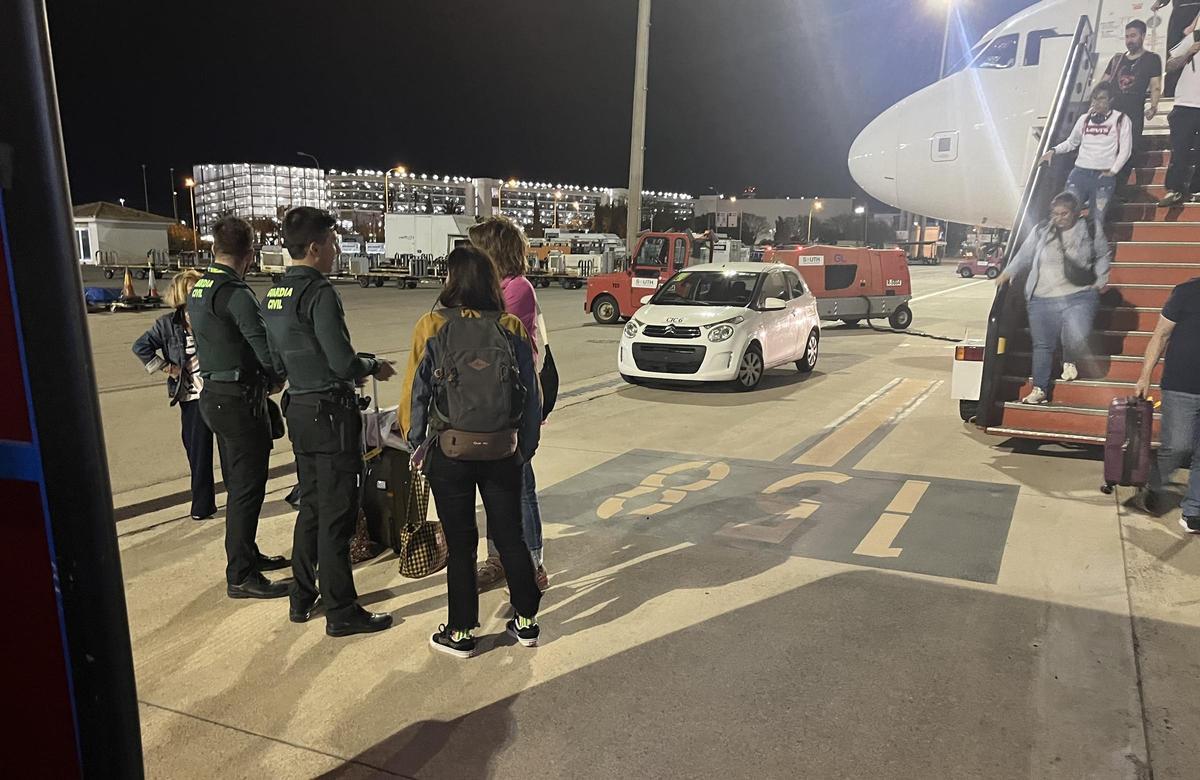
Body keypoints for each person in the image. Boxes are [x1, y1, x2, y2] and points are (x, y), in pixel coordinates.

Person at [400, 245, 543, 659]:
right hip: (503, 451)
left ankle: (461, 632)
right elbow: (530, 395)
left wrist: (416, 444)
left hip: (451, 450)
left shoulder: (431, 324)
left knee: (461, 544)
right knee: (511, 536)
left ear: (453, 281)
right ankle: (527, 622)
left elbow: (415, 391)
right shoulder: (511, 326)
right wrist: (525, 447)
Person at [263, 207, 396, 637]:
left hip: (299, 409)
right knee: (338, 514)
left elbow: (272, 359)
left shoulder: (276, 293)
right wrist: (372, 365)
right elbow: (342, 361)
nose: (337, 251)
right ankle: (341, 609)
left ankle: (301, 596)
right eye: (334, 243)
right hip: (331, 416)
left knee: (313, 507)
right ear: (317, 248)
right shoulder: (319, 293)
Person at [188, 216, 290, 599]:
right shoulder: (236, 293)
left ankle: (246, 554)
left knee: (238, 486)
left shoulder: (201, 288)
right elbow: (260, 342)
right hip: (238, 400)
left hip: (214, 395)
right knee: (248, 488)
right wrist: (277, 376)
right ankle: (241, 574)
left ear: (216, 248)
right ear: (250, 254)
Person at [467, 216, 549, 593]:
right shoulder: (489, 289)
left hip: (512, 402)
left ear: (491, 251)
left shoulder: (518, 289)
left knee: (521, 485)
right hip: (485, 402)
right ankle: (497, 558)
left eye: (475, 248)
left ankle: (532, 561)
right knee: (494, 487)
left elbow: (486, 335)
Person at [994, 192, 1111, 405]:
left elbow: (1103, 253)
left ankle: (1069, 358)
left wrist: (1101, 279)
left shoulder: (1090, 228)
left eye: (1064, 213)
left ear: (1076, 212)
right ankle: (1040, 388)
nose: (1059, 218)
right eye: (1055, 213)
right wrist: (1008, 273)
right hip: (1041, 297)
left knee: (1077, 334)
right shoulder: (1042, 230)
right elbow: (1024, 254)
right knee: (1042, 345)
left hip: (1079, 294)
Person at [132, 269, 217, 521]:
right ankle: (202, 506)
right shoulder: (167, 324)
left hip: (216, 392)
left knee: (230, 452)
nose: (198, 294)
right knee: (198, 454)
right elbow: (140, 347)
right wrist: (168, 368)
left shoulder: (210, 318)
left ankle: (239, 503)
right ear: (181, 293)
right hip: (191, 397)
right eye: (193, 289)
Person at [1135, 277, 1200, 534]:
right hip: (1180, 386)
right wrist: (1145, 375)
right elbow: (1161, 335)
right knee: (1177, 446)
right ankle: (1155, 480)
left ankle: (1194, 510)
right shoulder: (1188, 291)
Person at [1040, 84, 1133, 230]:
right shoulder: (1084, 119)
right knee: (1066, 214)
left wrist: (1113, 171)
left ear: (1111, 100)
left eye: (1102, 99)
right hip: (1080, 173)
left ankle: (1095, 250)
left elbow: (1126, 150)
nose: (1097, 102)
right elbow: (1072, 142)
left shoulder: (1121, 119)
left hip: (1103, 175)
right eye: (1094, 99)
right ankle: (1065, 249)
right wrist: (1053, 151)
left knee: (1097, 220)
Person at [1098, 20, 1163, 185]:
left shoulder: (1152, 59)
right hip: (1112, 110)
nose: (1129, 40)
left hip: (1134, 110)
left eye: (1133, 35)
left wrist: (1154, 106)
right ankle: (1102, 186)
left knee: (1128, 149)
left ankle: (1117, 187)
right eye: (1127, 36)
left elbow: (1156, 85)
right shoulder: (1117, 59)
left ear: (1142, 36)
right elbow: (1103, 84)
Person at [1159, 13, 1200, 207]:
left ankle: (1196, 189)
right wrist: (1187, 54)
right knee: (1179, 150)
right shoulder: (1195, 37)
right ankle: (1174, 189)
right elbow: (1169, 64)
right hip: (1185, 104)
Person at [1153, 0, 1200, 97]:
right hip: (1180, 14)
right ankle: (1170, 91)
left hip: (1194, 10)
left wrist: (1194, 23)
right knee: (1175, 55)